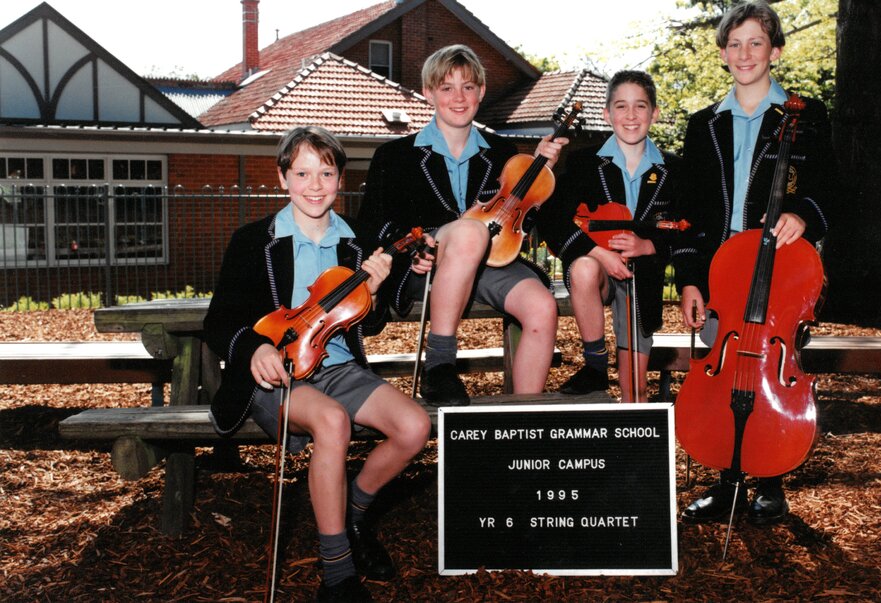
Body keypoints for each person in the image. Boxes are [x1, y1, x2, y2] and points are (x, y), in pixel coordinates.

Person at [204, 126, 431, 602]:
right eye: (302, 173)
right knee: (331, 423)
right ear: (283, 177)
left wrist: (396, 279)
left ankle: (352, 511)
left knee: (414, 427)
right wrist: (255, 350)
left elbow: (367, 327)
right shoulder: (253, 240)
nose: (314, 184)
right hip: (277, 374)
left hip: (340, 368)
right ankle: (337, 574)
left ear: (339, 178)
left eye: (325, 173)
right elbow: (220, 321)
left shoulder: (358, 243)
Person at [674, 0, 834, 525]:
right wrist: (692, 280)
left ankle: (770, 480)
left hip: (781, 277)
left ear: (776, 51)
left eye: (756, 43)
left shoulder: (805, 118)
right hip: (722, 275)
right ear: (723, 54)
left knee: (770, 373)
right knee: (721, 380)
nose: (745, 53)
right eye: (735, 44)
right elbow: (690, 212)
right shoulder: (703, 126)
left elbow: (829, 189)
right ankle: (726, 481)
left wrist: (804, 216)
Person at [357, 44, 566, 406]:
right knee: (470, 230)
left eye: (468, 87)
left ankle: (522, 420)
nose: (458, 97)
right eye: (446, 88)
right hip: (423, 268)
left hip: (488, 263)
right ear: (428, 92)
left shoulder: (503, 153)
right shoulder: (394, 156)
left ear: (481, 92)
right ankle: (439, 366)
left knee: (542, 307)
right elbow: (375, 226)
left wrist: (538, 174)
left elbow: (519, 220)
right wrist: (412, 252)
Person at [538, 70, 683, 402]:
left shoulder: (674, 169)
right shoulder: (583, 163)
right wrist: (600, 253)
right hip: (600, 274)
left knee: (636, 390)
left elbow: (687, 229)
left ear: (654, 113)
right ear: (607, 114)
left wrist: (649, 245)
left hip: (641, 279)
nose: (630, 116)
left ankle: (635, 448)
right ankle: (595, 364)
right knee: (583, 267)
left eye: (640, 106)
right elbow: (551, 219)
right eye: (620, 106)